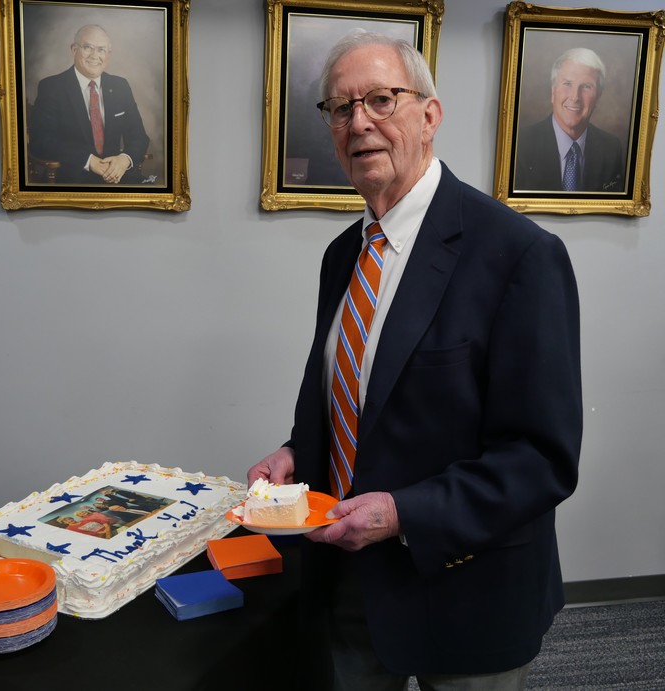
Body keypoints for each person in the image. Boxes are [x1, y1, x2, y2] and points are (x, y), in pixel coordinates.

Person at [246, 31, 582, 690]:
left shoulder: (519, 255)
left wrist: (402, 513)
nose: (359, 122)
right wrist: (297, 453)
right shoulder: (344, 255)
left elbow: (541, 458)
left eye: (380, 99)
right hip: (348, 579)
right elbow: (362, 402)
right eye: (340, 109)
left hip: (468, 588)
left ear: (430, 115)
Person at [28, 24, 149, 185]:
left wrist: (124, 159)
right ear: (74, 49)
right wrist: (88, 160)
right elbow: (41, 141)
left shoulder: (120, 86)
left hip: (117, 176)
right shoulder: (52, 87)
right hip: (72, 177)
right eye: (87, 47)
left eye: (101, 50)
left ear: (108, 54)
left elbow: (139, 137)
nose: (94, 55)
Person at [514, 47, 623, 192]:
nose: (575, 97)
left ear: (598, 97)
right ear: (553, 91)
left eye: (586, 86)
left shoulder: (611, 149)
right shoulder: (520, 144)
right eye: (567, 84)